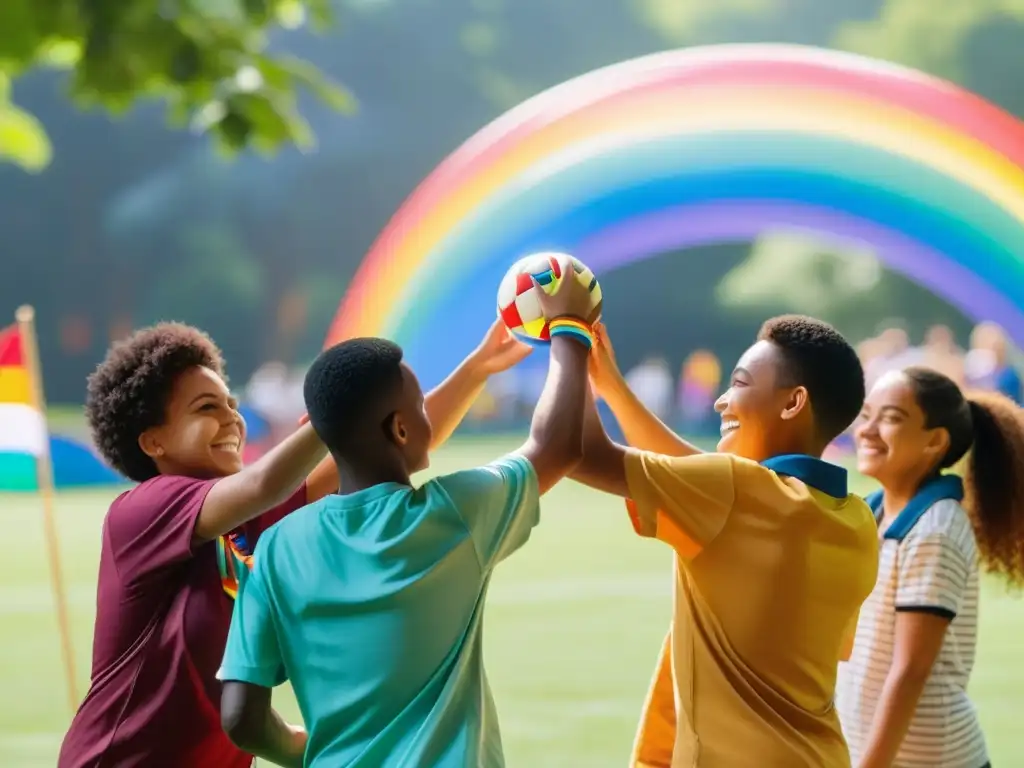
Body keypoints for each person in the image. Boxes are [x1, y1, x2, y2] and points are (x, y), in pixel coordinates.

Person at [58, 319, 533, 768]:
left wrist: (477, 369)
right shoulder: (140, 513)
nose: (231, 419)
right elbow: (268, 480)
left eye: (232, 404)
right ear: (153, 442)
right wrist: (334, 409)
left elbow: (382, 440)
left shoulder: (249, 523)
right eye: (206, 408)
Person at [217, 261, 596, 767]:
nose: (427, 416)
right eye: (419, 405)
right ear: (399, 430)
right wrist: (570, 329)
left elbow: (241, 717)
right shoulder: (456, 513)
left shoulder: (278, 548)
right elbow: (557, 447)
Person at [573, 316, 879, 767]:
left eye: (739, 383)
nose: (720, 401)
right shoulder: (856, 521)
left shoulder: (735, 493)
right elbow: (710, 486)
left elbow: (574, 447)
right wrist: (614, 389)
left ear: (794, 402)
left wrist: (567, 344)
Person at [837, 367, 1024, 768]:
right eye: (866, 414)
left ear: (935, 441)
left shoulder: (935, 528)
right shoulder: (872, 513)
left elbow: (910, 672)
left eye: (890, 418)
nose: (867, 430)